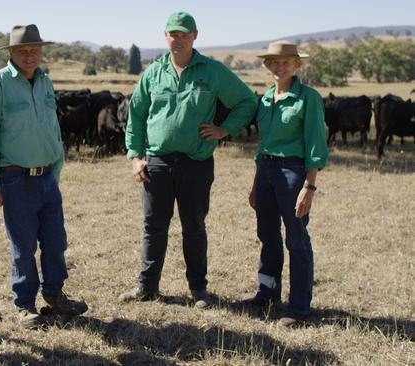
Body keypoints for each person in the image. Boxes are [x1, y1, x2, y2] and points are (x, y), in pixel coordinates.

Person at [121, 11, 258, 307]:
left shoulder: (212, 71)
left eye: (184, 34)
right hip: (156, 162)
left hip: (196, 163)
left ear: (195, 36)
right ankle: (146, 287)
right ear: (165, 36)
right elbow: (136, 116)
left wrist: (225, 129)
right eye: (173, 33)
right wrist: (135, 156)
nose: (178, 39)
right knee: (153, 226)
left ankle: (199, 290)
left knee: (193, 226)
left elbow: (247, 101)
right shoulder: (153, 73)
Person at [0, 24, 88, 329]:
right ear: (11, 52)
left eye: (34, 50)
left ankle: (55, 295)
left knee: (55, 241)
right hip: (15, 178)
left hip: (46, 175)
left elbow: (53, 128)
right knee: (23, 246)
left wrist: (57, 167)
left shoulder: (45, 82)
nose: (29, 55)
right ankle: (24, 305)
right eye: (23, 50)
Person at [247, 40, 328, 326]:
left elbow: (316, 143)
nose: (279, 67)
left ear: (297, 65)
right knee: (267, 235)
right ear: (268, 66)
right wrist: (257, 183)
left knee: (296, 238)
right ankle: (267, 294)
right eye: (274, 63)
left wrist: (310, 186)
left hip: (293, 173)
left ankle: (299, 308)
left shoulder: (308, 98)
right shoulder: (267, 97)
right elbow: (262, 144)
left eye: (286, 62)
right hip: (266, 171)